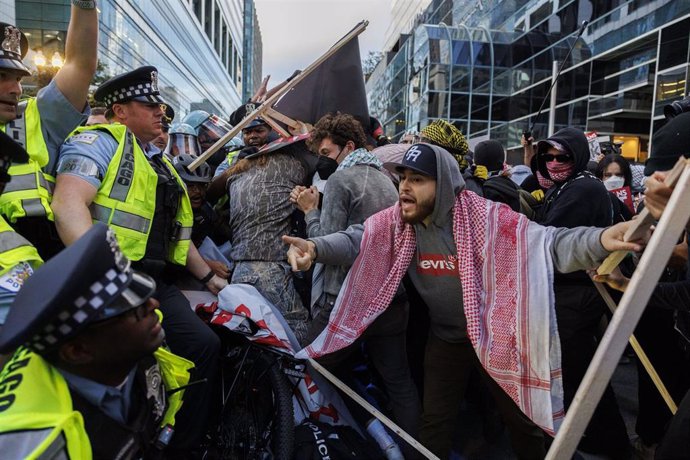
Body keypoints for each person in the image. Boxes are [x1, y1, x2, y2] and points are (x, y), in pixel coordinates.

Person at [283, 143, 644, 459]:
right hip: (446, 338)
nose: (404, 187)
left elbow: (548, 244)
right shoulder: (397, 223)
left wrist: (600, 240)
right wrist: (315, 248)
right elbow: (357, 239)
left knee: (524, 422)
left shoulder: (486, 220)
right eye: (403, 177)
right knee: (434, 423)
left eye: (417, 179)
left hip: (495, 335)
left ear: (444, 187)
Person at [51, 66, 223, 454]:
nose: (160, 112)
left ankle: (180, 446)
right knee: (128, 370)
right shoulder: (97, 141)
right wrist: (104, 275)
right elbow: (68, 204)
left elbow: (176, 234)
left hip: (150, 281)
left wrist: (210, 281)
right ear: (121, 110)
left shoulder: (159, 162)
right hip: (106, 278)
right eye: (150, 105)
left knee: (204, 346)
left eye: (160, 106)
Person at [0, 223, 193, 458]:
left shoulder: (131, 340)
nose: (153, 305)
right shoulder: (40, 444)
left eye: (140, 295)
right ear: (77, 350)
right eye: (130, 309)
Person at [291, 113, 421, 455]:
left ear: (349, 146)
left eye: (326, 150)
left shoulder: (341, 180)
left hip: (346, 301)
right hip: (392, 298)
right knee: (399, 383)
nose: (322, 158)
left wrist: (309, 210)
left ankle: (331, 437)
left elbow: (326, 245)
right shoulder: (387, 180)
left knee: (310, 366)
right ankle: (411, 450)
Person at [534, 128, 631, 458]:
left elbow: (551, 241)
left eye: (563, 156)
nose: (555, 162)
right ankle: (603, 436)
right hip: (572, 293)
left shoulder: (581, 188)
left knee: (579, 374)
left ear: (576, 156)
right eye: (548, 156)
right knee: (579, 374)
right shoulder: (567, 186)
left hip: (576, 294)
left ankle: (611, 441)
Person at [0, 4, 98, 260]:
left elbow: (79, 64)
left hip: (43, 281)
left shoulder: (36, 119)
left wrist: (85, 4)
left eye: (19, 79)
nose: (16, 89)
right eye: (2, 76)